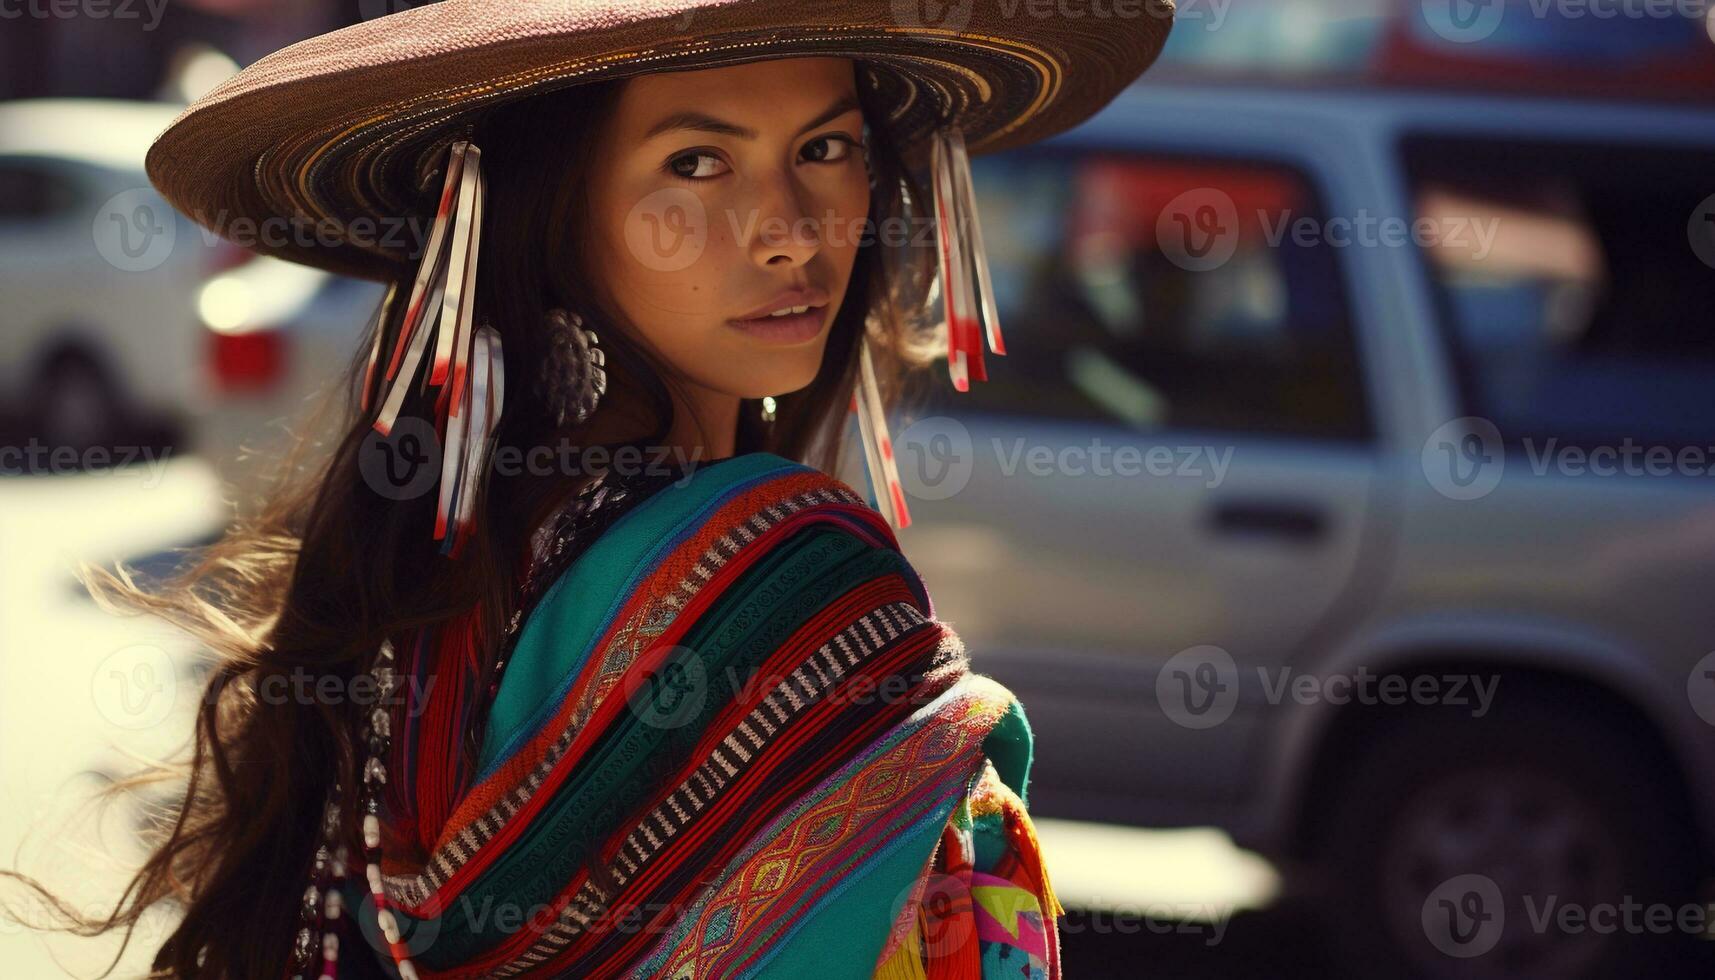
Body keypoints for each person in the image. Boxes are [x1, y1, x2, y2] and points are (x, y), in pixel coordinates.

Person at [5, 2, 1174, 976]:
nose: (792, 230)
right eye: (696, 162)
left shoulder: (445, 569)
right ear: (552, 214)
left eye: (827, 146)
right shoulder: (799, 584)